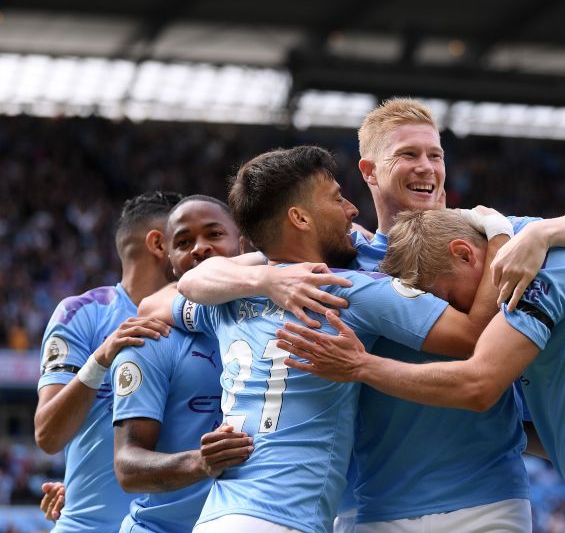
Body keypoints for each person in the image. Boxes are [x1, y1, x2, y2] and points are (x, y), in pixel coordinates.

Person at [177, 99, 565, 533]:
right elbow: (185, 287)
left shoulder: (489, 230)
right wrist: (265, 280)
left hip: (487, 499)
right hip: (374, 509)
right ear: (370, 171)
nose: (426, 167)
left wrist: (544, 234)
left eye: (435, 155)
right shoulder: (340, 261)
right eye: (408, 154)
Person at [138, 145, 512, 533]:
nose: (351, 210)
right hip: (285, 520)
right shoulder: (345, 290)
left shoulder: (225, 301)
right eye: (336, 198)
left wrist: (262, 278)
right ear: (300, 218)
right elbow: (475, 335)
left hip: (219, 515)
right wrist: (501, 235)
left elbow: (153, 305)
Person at [274, 208, 565, 533]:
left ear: (464, 253)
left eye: (447, 297)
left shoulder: (547, 266)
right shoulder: (547, 257)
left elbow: (479, 384)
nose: (460, 312)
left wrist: (360, 366)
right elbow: (558, 428)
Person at [34, 191, 181, 533]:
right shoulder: (82, 314)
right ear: (159, 244)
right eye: (185, 238)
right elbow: (48, 435)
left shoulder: (207, 320)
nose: (201, 251)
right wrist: (101, 359)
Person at [111, 195, 254, 533]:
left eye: (214, 234)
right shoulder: (150, 339)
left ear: (243, 245)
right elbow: (126, 466)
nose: (199, 248)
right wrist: (200, 462)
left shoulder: (271, 324)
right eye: (184, 242)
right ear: (172, 262)